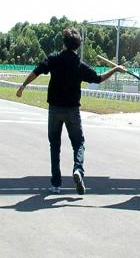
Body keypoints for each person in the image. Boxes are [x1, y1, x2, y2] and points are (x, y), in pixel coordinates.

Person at [16, 28, 125, 195]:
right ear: (78, 45)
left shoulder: (54, 59)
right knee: (78, 143)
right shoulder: (80, 65)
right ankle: (78, 170)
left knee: (55, 146)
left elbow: (36, 72)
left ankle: (55, 184)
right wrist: (116, 69)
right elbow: (99, 79)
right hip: (72, 110)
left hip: (54, 109)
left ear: (64, 43)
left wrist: (23, 86)